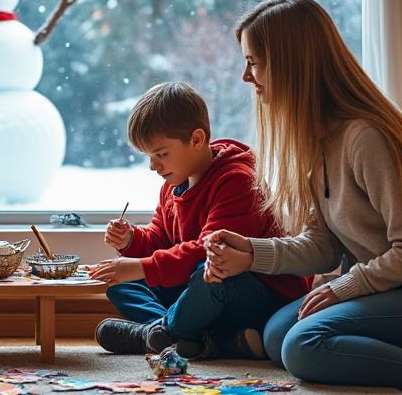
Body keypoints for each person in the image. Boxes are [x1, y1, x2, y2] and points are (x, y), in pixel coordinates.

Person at [204, 0, 402, 393]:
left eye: (252, 62)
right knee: (276, 336)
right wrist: (251, 253)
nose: (246, 77)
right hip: (395, 288)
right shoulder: (315, 139)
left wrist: (340, 289)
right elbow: (323, 247)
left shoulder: (366, 136)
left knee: (303, 346)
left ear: (289, 64)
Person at [90, 82, 308, 358]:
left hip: (256, 294)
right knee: (119, 282)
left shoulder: (238, 181)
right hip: (199, 291)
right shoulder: (173, 183)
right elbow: (161, 239)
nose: (153, 166)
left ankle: (156, 333)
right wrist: (132, 239)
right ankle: (196, 338)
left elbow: (208, 252)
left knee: (211, 272)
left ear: (196, 140)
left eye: (161, 154)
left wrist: (142, 266)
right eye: (149, 156)